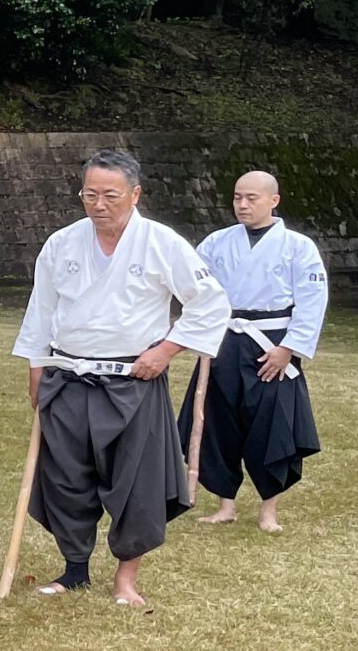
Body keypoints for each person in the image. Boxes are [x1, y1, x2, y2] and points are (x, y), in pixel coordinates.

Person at [12, 149, 228, 605]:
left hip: (133, 378)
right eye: (90, 194)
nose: (98, 205)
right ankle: (74, 570)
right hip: (68, 375)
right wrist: (36, 366)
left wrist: (166, 350)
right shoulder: (62, 243)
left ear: (135, 194)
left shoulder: (162, 243)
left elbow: (210, 302)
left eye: (110, 195)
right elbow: (41, 310)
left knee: (137, 482)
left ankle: (126, 579)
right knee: (66, 478)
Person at [182, 169, 327, 532]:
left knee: (271, 424)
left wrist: (288, 348)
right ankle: (225, 505)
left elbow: (312, 301)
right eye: (237, 197)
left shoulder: (298, 247)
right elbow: (197, 291)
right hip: (224, 340)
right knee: (219, 420)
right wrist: (200, 334)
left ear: (273, 201)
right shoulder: (216, 242)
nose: (242, 205)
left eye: (251, 198)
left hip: (271, 342)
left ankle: (268, 511)